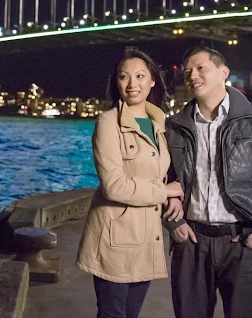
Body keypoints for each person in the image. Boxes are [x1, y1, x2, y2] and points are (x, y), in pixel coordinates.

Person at [164, 46, 252, 318]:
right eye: (187, 71)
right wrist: (173, 222)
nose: (192, 75)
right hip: (191, 242)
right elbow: (162, 179)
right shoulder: (174, 127)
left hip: (243, 241)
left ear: (223, 72)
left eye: (201, 68)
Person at [76, 47, 184, 318]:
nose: (132, 84)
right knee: (113, 314)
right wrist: (165, 191)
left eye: (139, 76)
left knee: (131, 314)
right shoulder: (108, 122)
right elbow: (114, 186)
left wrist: (172, 194)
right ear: (116, 83)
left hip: (147, 237)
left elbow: (159, 173)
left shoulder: (159, 124)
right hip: (116, 239)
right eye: (124, 77)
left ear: (152, 81)